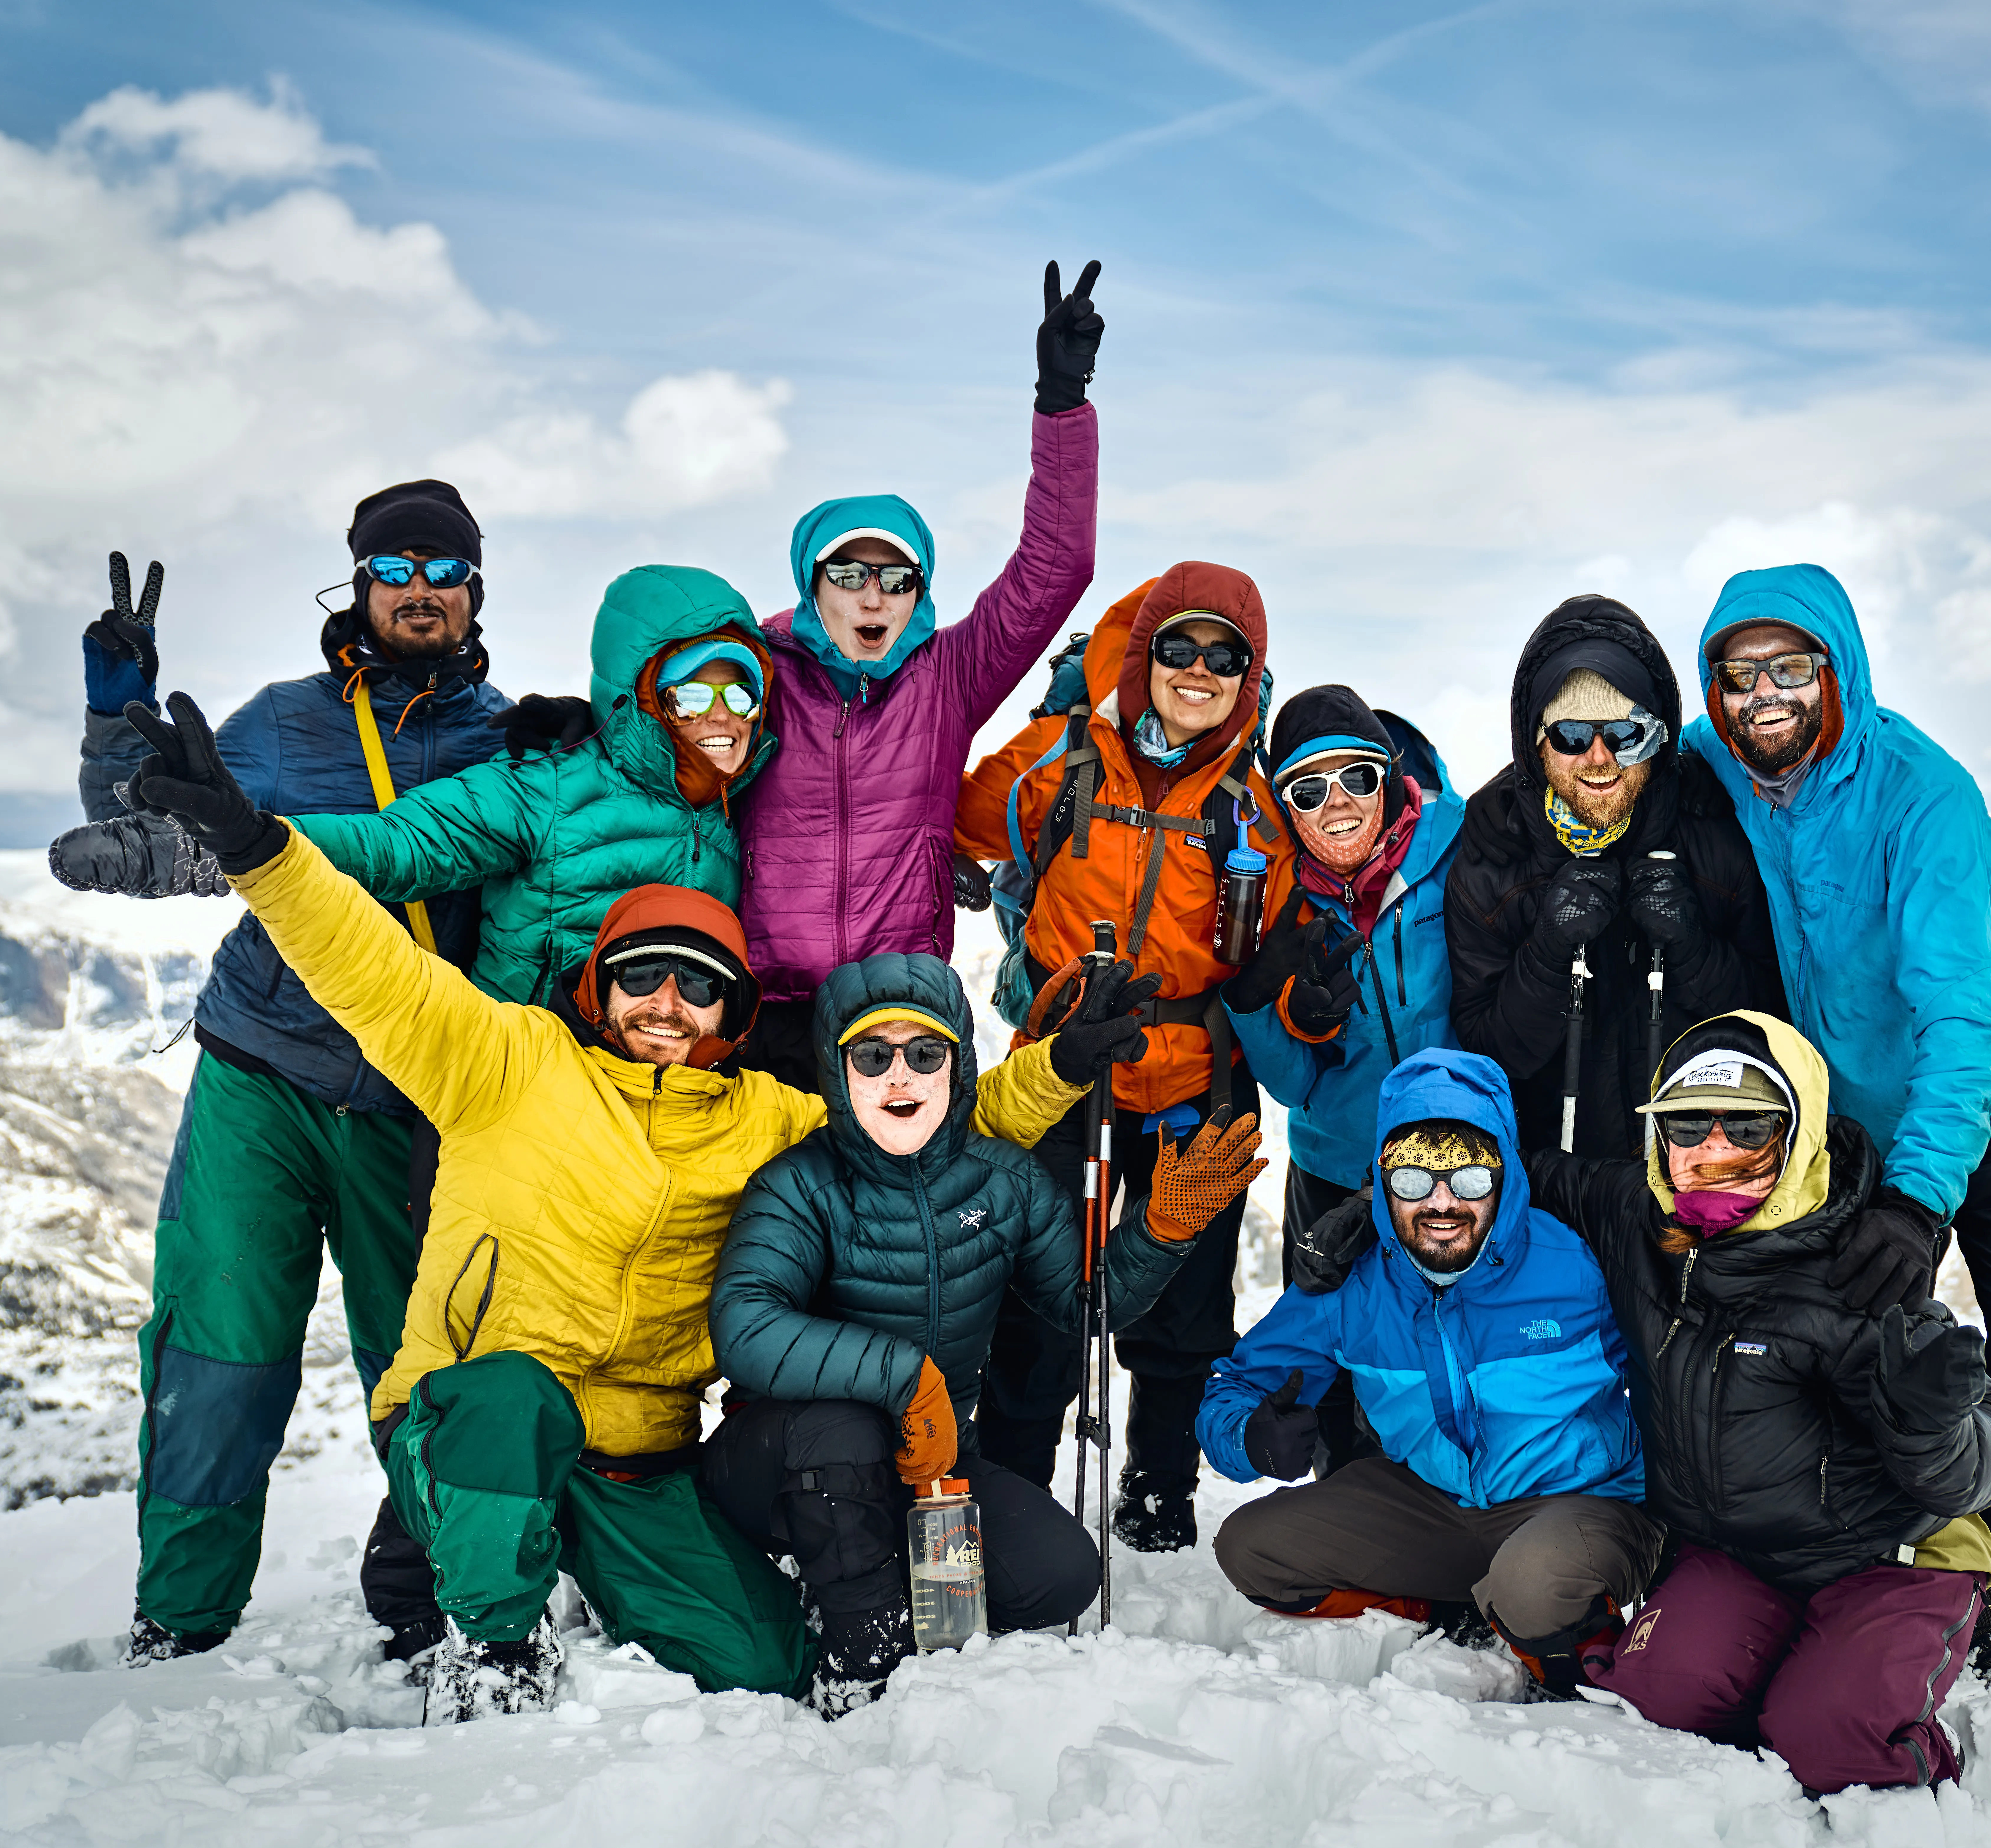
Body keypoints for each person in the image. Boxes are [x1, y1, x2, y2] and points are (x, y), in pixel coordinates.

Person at [109, 691, 1119, 1720]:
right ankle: (495, 1646)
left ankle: (553, 1561)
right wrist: (254, 847)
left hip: (635, 1460)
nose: (666, 1003)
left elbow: (922, 1117)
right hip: (475, 1417)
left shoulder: (761, 1118)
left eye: (699, 984)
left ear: (731, 1011)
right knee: (513, 1400)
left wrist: (1062, 1070)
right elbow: (368, 964)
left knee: (761, 1660)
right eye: (643, 974)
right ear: (600, 985)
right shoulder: (505, 1059)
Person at [51, 483, 511, 1668]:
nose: (420, 586)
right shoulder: (282, 721)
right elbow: (144, 814)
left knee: (421, 1362)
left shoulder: (512, 741)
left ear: (473, 590)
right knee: (221, 1348)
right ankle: (183, 1618)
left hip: (412, 1101)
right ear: (360, 583)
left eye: (444, 567)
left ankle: (454, 1593)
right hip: (261, 1066)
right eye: (395, 564)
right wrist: (120, 711)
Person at [1681, 564, 1991, 1730]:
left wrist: (1919, 1200)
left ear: (1839, 671)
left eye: (1788, 667)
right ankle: (1872, 1574)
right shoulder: (1714, 759)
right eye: (1736, 671)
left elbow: (1962, 1024)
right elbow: (1602, 763)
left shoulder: (1925, 801)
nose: (1760, 692)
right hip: (1851, 1123)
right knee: (1845, 1348)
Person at [705, 954, 1261, 1708]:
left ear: (957, 1065)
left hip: (930, 1461)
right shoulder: (799, 1183)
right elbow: (746, 1325)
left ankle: (862, 1566)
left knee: (1060, 1573)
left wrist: (1160, 1230)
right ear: (838, 1071)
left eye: (925, 1053)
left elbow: (1080, 1305)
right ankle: (863, 1661)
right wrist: (904, 1376)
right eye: (873, 1055)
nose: (899, 1077)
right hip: (776, 1463)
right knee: (843, 1432)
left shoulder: (1007, 1181)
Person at [1511, 1012, 1991, 1792]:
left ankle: (1883, 1729)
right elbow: (1523, 1178)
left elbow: (1984, 1466)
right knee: (1655, 1696)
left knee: (1833, 1748)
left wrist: (1932, 1424)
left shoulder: (1859, 1265)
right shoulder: (1640, 1219)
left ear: (1795, 1136)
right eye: (1686, 1125)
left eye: (1747, 1124)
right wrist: (1385, 1209)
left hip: (1888, 1560)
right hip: (1738, 1557)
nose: (1713, 1151)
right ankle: (1788, 1671)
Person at [954, 563, 1299, 1552]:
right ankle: (1016, 1483)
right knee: (1037, 1284)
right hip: (1062, 1068)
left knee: (1188, 1296)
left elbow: (1277, 945)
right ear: (1143, 656)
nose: (1199, 671)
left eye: (1225, 656)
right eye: (1178, 647)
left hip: (1198, 1073)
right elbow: (946, 811)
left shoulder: (1258, 806)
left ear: (1251, 673)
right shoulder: (1060, 762)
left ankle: (1159, 1487)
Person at [715, 260, 1106, 1091]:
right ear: (810, 584)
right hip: (767, 1013)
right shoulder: (756, 671)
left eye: (895, 579)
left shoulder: (948, 678)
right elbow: (657, 707)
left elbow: (1056, 567)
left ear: (920, 594)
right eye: (848, 573)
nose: (871, 595)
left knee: (896, 1223)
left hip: (901, 1016)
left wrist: (1060, 406)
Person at [1197, 1047, 1656, 1695]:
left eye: (1470, 1178)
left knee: (1534, 1583)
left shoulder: (1577, 1263)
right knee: (1251, 1546)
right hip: (1436, 1505)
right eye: (1414, 1178)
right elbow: (1235, 1387)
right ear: (1382, 1181)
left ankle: (1571, 1648)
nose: (1443, 1202)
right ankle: (1448, 1609)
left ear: (1503, 1174)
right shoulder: (1352, 1281)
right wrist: (1248, 1434)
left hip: (1577, 1504)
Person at [277, 564, 775, 1008]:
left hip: (659, 1094)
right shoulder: (550, 783)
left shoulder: (753, 803)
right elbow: (404, 843)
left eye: (739, 694)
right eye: (688, 696)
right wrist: (260, 845)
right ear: (640, 697)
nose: (720, 715)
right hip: (518, 1082)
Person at [1221, 687, 1466, 1473]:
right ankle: (1343, 1503)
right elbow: (1296, 1085)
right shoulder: (1279, 899)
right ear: (1283, 807)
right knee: (1337, 1353)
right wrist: (1256, 999)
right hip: (1336, 1163)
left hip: (1455, 1160)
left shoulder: (1454, 847)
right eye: (1306, 789)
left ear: (1388, 777)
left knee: (1451, 1345)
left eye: (1355, 777)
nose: (1336, 803)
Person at [1445, 595, 1784, 1159]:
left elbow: (1771, 1024)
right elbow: (1487, 1052)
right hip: (1556, 1185)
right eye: (1572, 735)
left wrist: (1692, 949)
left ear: (1657, 737)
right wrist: (1549, 952)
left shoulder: (1716, 827)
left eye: (1625, 735)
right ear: (1535, 740)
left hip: (1697, 1173)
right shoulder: (1494, 849)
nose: (1599, 758)